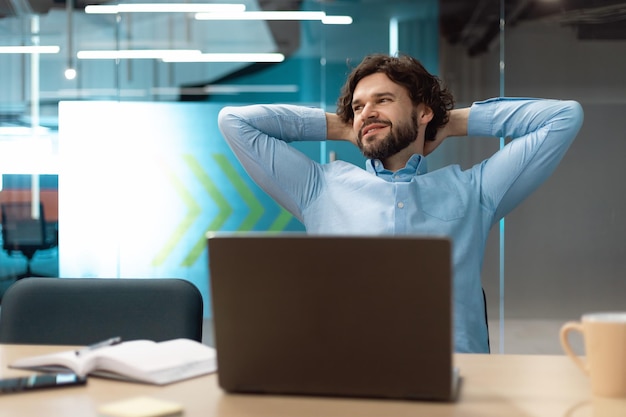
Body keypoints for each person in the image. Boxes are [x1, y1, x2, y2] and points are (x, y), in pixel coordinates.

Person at [217, 53, 584, 353]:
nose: (367, 112)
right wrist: (343, 126)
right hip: (346, 376)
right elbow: (234, 121)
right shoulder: (319, 187)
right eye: (358, 107)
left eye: (383, 100)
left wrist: (451, 122)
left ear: (423, 113)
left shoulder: (476, 189)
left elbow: (563, 117)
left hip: (457, 375)